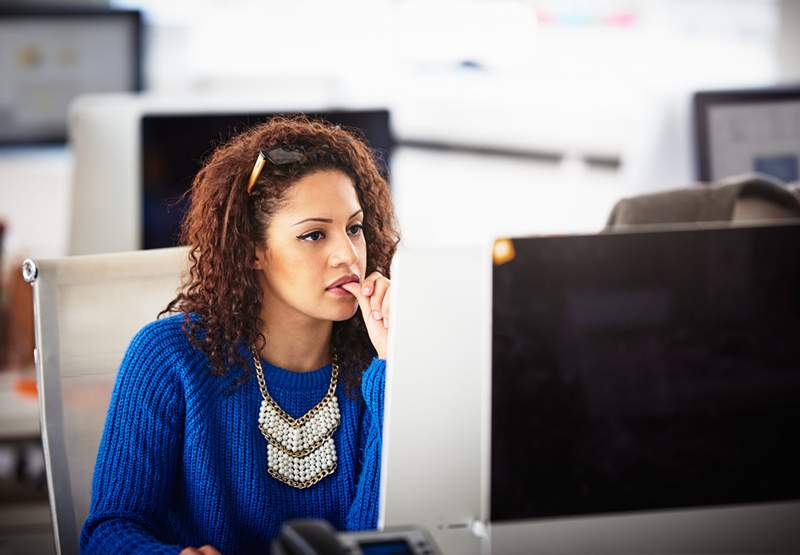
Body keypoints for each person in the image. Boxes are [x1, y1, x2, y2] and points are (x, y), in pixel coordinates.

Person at [80, 116, 400, 554]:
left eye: (354, 228)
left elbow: (379, 540)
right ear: (252, 249)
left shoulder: (381, 363)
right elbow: (108, 532)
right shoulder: (167, 358)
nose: (348, 255)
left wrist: (392, 366)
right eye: (313, 235)